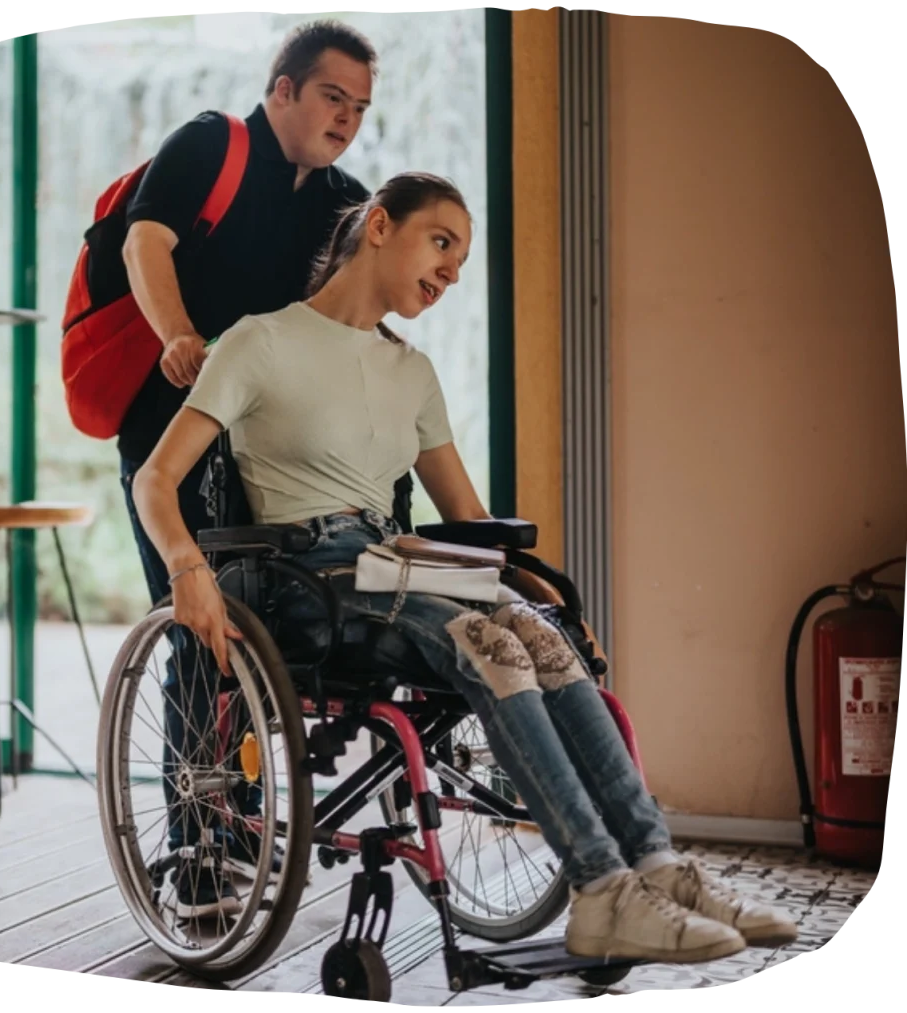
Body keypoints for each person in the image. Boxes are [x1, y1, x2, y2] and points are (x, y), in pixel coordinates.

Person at [131, 171, 800, 962]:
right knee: (494, 642)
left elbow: (469, 522)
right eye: (440, 243)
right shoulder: (260, 341)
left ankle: (655, 865)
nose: (451, 271)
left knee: (540, 635)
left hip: (395, 563)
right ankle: (602, 888)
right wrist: (184, 568)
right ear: (378, 226)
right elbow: (155, 480)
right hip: (303, 579)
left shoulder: (409, 372)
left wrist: (537, 586)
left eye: (461, 259)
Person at [117, 19, 378, 917]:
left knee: (267, 644)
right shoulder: (209, 145)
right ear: (284, 90)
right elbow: (143, 244)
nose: (346, 117)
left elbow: (351, 310)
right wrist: (179, 336)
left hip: (270, 451)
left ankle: (247, 824)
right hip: (173, 432)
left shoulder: (344, 195)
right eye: (332, 96)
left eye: (360, 105)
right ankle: (198, 852)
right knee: (198, 636)